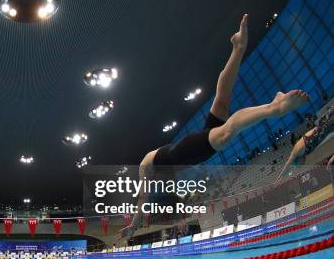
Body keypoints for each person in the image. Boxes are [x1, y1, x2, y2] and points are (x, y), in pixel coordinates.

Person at [119, 15, 309, 238]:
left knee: (227, 133)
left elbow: (142, 199)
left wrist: (133, 226)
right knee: (222, 100)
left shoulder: (146, 169)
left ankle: (273, 107)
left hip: (186, 151)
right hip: (188, 148)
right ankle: (238, 48)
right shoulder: (156, 169)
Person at [276, 104, 333, 183]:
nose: (303, 163)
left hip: (323, 126)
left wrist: (280, 177)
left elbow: (287, 164)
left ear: (297, 160)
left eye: (301, 164)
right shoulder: (303, 153)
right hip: (326, 129)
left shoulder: (296, 151)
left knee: (331, 111)